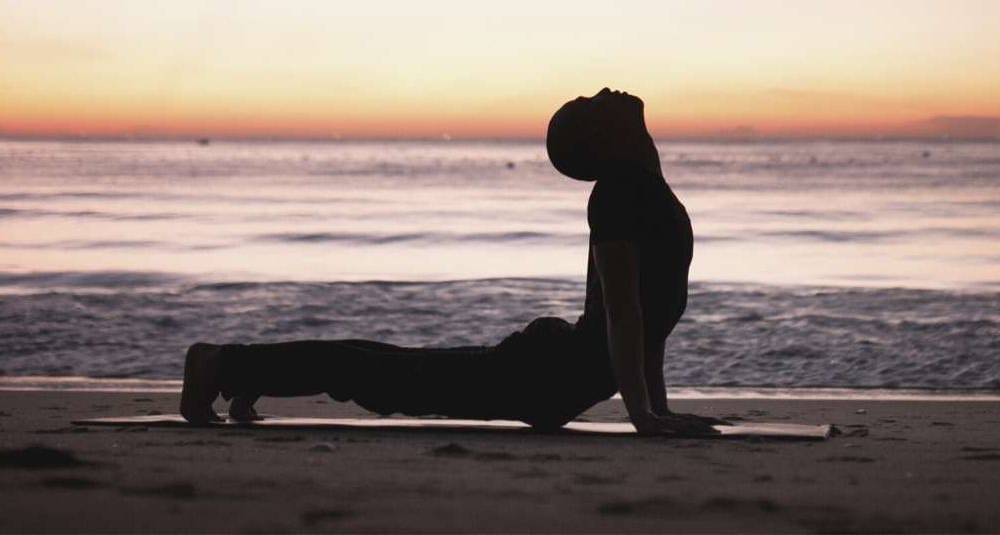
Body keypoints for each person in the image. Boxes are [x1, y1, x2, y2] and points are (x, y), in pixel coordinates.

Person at [180, 88, 720, 436]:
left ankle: (245, 370)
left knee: (381, 367)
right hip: (543, 376)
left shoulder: (641, 188)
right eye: (590, 103)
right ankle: (220, 365)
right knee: (380, 373)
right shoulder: (622, 192)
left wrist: (658, 412)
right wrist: (645, 417)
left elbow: (649, 318)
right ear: (604, 139)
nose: (604, 91)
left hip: (554, 377)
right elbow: (624, 314)